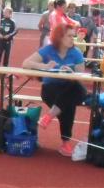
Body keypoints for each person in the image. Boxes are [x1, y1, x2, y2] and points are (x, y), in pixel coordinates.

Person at [22, 23, 87, 157]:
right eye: (69, 36)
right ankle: (65, 142)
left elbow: (81, 77)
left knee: (75, 89)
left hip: (70, 87)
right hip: (50, 89)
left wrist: (72, 72)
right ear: (59, 37)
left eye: (73, 36)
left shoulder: (76, 52)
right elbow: (26, 63)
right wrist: (45, 66)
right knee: (68, 104)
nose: (72, 39)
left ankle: (49, 116)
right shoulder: (48, 50)